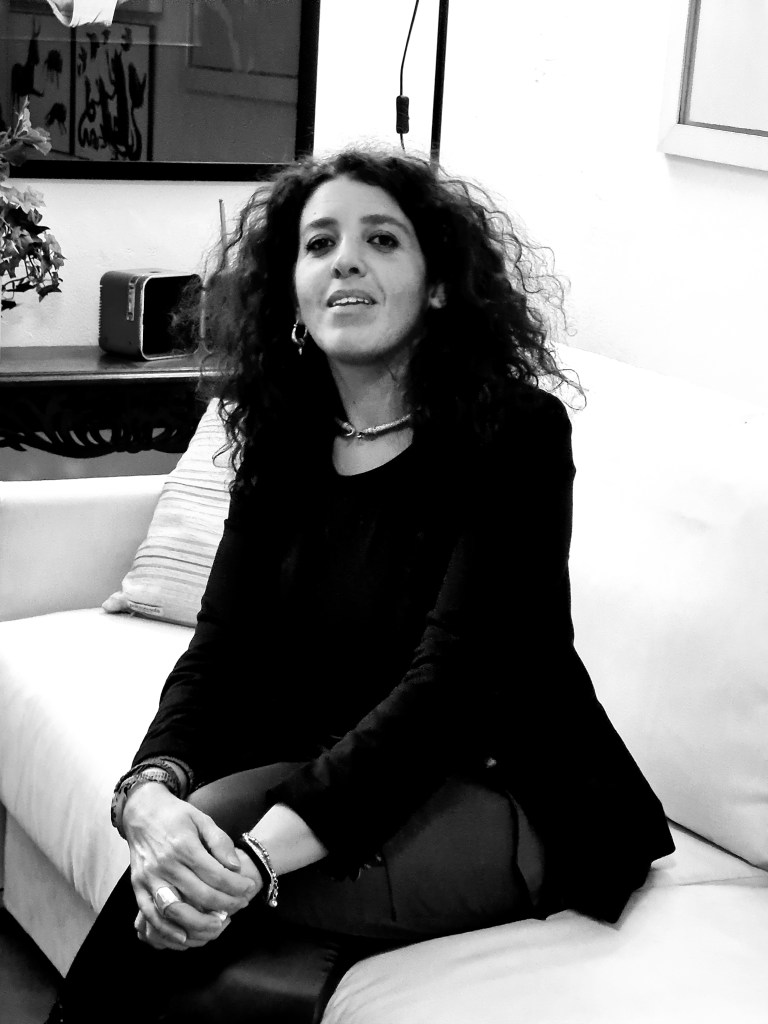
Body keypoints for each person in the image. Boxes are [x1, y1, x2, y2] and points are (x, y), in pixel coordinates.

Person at [46, 146, 674, 1023]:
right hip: (345, 765)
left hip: (507, 786)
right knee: (190, 843)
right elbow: (220, 652)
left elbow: (450, 690)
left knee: (193, 883)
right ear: (293, 294)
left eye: (382, 239)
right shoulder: (284, 443)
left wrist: (260, 856)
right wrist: (147, 792)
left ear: (440, 285)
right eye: (320, 244)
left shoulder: (516, 434)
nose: (345, 260)